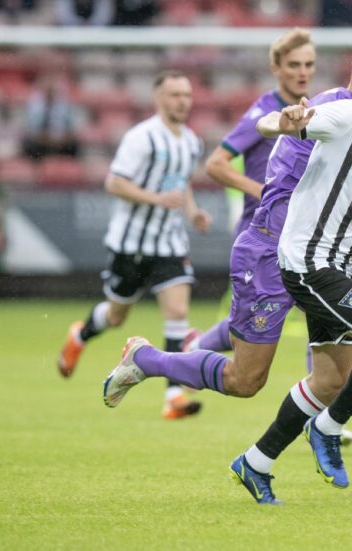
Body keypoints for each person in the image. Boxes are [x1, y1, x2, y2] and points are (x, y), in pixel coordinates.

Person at [104, 46, 352, 505]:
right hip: (299, 260)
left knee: (308, 379)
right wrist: (286, 119)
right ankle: (331, 429)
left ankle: (256, 461)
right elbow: (268, 127)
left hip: (336, 264)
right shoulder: (347, 116)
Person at [57, 70, 212, 420]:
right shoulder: (142, 138)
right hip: (131, 243)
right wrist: (155, 199)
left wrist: (193, 212)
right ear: (158, 99)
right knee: (115, 316)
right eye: (175, 95)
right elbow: (114, 183)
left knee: (176, 313)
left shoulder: (190, 140)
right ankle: (80, 334)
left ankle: (172, 396)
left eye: (186, 95)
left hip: (170, 243)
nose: (182, 101)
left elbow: (182, 183)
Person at [190, 28, 317, 355]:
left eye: (308, 64)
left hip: (297, 230)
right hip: (260, 231)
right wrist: (264, 191)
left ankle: (319, 398)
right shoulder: (264, 112)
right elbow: (216, 164)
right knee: (248, 325)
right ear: (276, 68)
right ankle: (193, 351)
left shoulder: (312, 111)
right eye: (294, 65)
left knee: (323, 311)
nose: (302, 72)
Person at [22, 75, 81, 160]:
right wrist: (43, 138)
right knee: (29, 145)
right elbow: (30, 129)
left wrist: (62, 138)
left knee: (74, 146)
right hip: (40, 142)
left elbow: (72, 128)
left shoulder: (65, 105)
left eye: (52, 90)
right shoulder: (34, 106)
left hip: (60, 141)